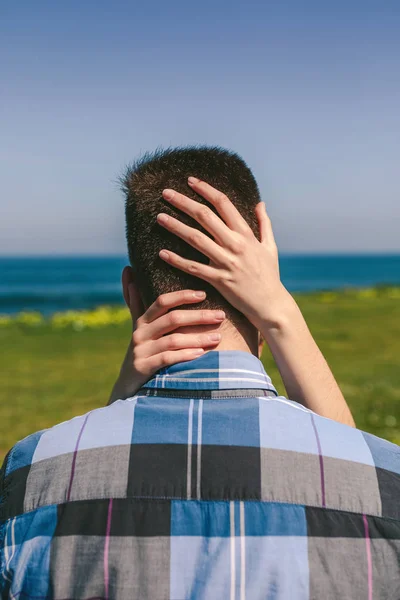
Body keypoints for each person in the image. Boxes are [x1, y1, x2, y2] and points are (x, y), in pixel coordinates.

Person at [1, 147, 399, 599]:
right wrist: (283, 315)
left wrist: (119, 402)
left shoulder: (32, 473)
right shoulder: (383, 480)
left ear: (132, 294)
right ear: (266, 292)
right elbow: (348, 470)